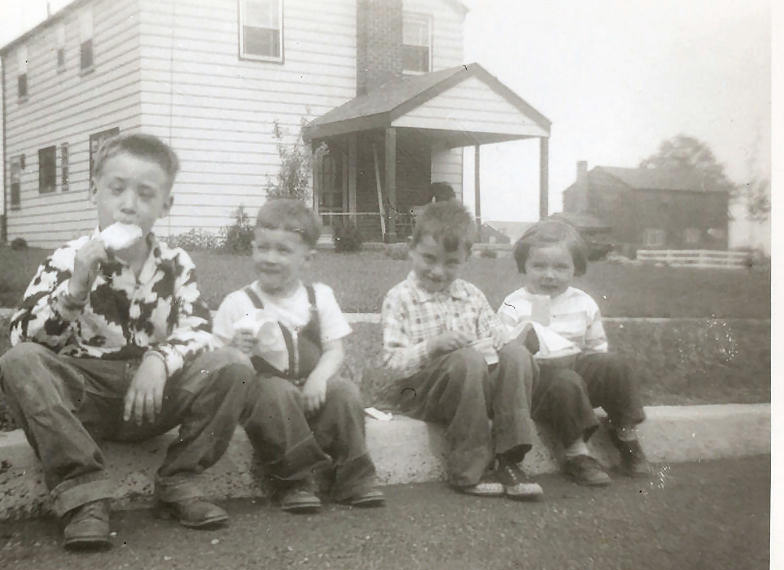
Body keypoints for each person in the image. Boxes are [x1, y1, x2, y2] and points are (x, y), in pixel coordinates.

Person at [0, 133, 294, 551]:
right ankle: (83, 496)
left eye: (145, 194)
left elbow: (197, 326)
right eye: (116, 189)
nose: (128, 204)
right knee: (20, 363)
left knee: (233, 365)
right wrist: (75, 290)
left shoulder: (176, 264)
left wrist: (159, 359)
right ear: (94, 191)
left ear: (165, 206)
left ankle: (181, 480)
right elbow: (23, 336)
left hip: (157, 398)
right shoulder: (67, 259)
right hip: (88, 395)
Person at [212, 199, 385, 512]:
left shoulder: (319, 297)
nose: (270, 258)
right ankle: (294, 480)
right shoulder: (238, 303)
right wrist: (237, 351)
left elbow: (335, 349)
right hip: (269, 403)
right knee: (276, 391)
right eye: (263, 248)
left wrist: (319, 377)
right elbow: (218, 364)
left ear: (307, 259)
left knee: (344, 391)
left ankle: (354, 477)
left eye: (283, 251)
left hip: (311, 392)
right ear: (252, 249)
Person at [380, 200, 542, 500]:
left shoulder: (472, 296)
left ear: (466, 258)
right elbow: (391, 365)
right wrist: (431, 347)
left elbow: (498, 336)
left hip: (471, 389)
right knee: (467, 360)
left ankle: (510, 460)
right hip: (419, 393)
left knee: (516, 355)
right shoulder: (399, 298)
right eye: (429, 258)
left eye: (451, 262)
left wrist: (508, 342)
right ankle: (468, 469)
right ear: (411, 249)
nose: (438, 271)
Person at [498, 219, 652, 486]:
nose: (549, 275)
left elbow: (596, 349)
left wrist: (587, 362)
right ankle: (576, 453)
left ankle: (625, 433)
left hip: (576, 371)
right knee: (565, 380)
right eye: (539, 266)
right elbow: (506, 354)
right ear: (524, 265)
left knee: (615, 365)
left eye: (560, 267)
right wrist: (529, 336)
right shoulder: (516, 303)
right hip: (540, 386)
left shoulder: (582, 302)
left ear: (576, 268)